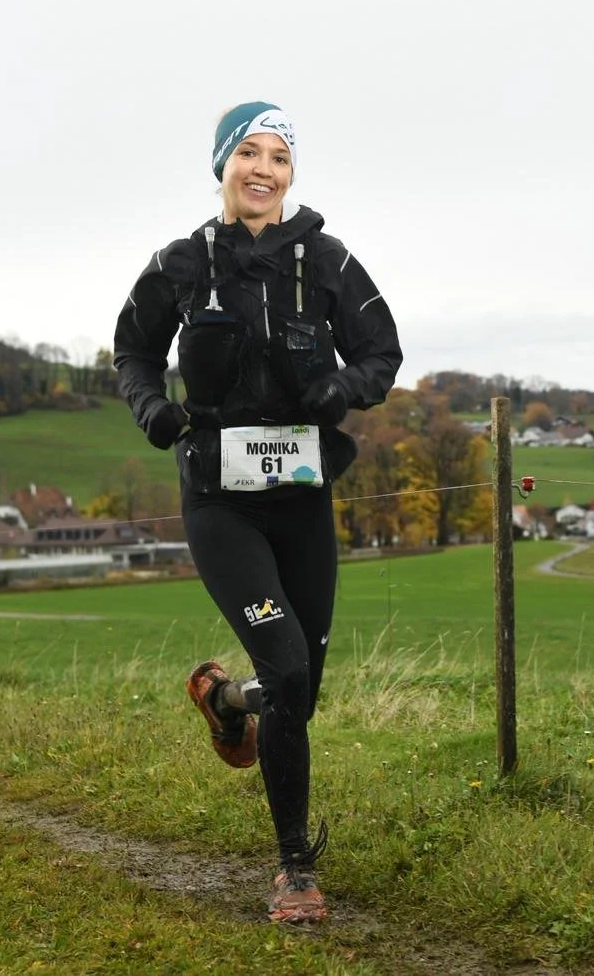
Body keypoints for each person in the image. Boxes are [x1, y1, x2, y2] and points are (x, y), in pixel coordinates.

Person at [112, 101, 402, 923]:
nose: (263, 169)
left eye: (279, 155)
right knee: (286, 662)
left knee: (295, 691)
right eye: (249, 152)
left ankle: (224, 701)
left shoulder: (330, 262)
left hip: (303, 500)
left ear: (291, 174)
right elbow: (131, 348)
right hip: (218, 500)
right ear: (222, 166)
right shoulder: (181, 263)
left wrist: (341, 386)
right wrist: (152, 408)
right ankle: (295, 871)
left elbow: (384, 352)